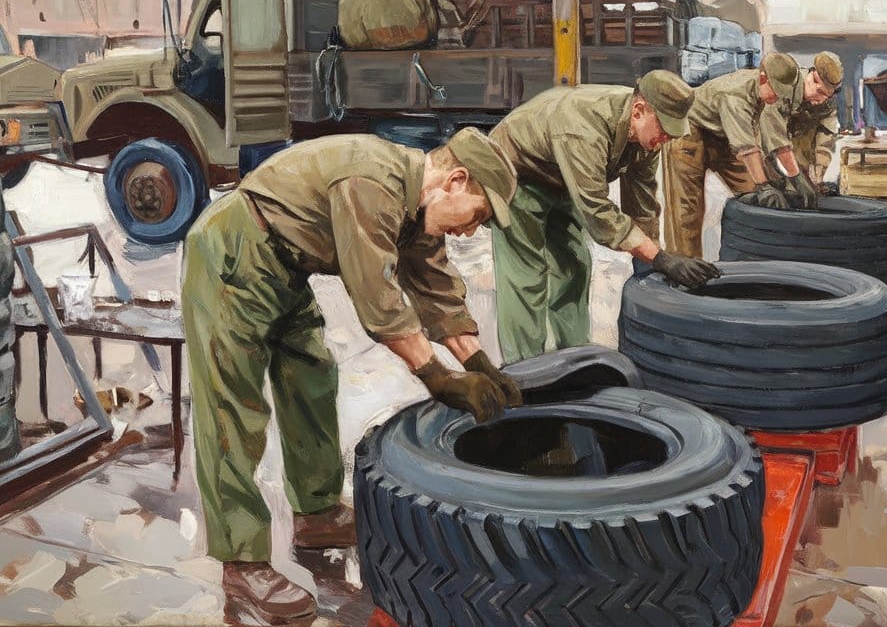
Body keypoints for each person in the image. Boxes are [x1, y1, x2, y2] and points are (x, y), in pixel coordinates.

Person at [181, 128, 521, 626]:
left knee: (312, 377)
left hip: (285, 264)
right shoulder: (373, 186)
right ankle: (242, 562)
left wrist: (477, 363)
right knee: (233, 408)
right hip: (235, 252)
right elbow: (378, 301)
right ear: (455, 181)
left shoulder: (418, 203)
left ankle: (315, 515)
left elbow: (435, 287)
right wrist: (437, 378)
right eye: (478, 214)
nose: (472, 231)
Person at [489, 69, 720, 364]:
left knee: (574, 264)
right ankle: (525, 369)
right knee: (527, 274)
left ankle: (572, 358)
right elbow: (597, 212)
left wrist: (650, 268)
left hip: (560, 177)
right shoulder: (585, 127)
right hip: (515, 172)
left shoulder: (648, 137)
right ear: (639, 110)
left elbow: (643, 203)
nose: (666, 139)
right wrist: (662, 258)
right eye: (664, 129)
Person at [662, 52, 802, 257]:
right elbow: (746, 147)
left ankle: (759, 258)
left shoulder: (767, 93)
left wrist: (788, 178)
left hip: (722, 134)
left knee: (754, 193)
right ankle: (685, 270)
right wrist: (764, 186)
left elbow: (769, 137)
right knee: (686, 212)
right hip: (689, 130)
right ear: (763, 78)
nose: (778, 97)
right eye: (776, 91)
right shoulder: (736, 95)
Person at [748, 50, 845, 209]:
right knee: (767, 196)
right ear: (812, 76)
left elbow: (825, 139)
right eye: (819, 92)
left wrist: (817, 177)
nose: (820, 100)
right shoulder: (783, 84)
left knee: (799, 194)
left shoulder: (826, 103)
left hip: (796, 153)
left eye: (827, 96)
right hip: (765, 143)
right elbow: (774, 139)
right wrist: (797, 179)